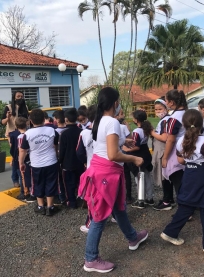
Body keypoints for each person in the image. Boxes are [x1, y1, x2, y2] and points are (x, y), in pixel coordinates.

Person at [78, 87, 148, 273]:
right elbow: (112, 154)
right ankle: (90, 259)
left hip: (102, 171)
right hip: (106, 174)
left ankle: (133, 237)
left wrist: (123, 141)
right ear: (115, 102)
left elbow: (103, 143)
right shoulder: (112, 122)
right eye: (118, 101)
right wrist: (134, 158)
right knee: (100, 216)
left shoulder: (99, 120)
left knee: (118, 208)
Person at [161, 109, 204, 253]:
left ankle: (170, 232)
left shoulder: (180, 141)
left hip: (189, 178)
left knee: (186, 206)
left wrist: (191, 161)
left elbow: (180, 160)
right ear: (201, 124)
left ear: (184, 125)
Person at [19, 109, 59, 216]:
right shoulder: (52, 131)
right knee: (51, 182)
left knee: (38, 183)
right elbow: (56, 145)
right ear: (43, 119)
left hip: (36, 164)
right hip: (51, 161)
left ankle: (41, 206)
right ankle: (50, 206)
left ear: (31, 120)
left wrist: (21, 163)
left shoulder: (27, 134)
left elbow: (23, 150)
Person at [154, 90, 186, 211]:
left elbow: (170, 140)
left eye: (166, 101)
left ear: (171, 102)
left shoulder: (173, 118)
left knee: (178, 181)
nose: (166, 103)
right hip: (188, 151)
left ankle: (184, 210)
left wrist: (165, 157)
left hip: (177, 153)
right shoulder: (187, 113)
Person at [123, 110, 154, 209]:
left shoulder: (136, 131)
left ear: (136, 120)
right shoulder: (147, 128)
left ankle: (141, 200)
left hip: (139, 155)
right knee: (147, 176)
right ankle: (150, 198)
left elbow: (136, 146)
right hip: (146, 154)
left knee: (139, 178)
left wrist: (126, 149)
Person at [76, 105, 97, 233]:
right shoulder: (108, 129)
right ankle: (116, 216)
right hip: (109, 167)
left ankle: (91, 223)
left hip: (92, 167)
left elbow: (79, 152)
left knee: (92, 197)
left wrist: (85, 162)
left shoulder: (84, 133)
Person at [2, 91, 29, 187]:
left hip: (23, 133)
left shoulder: (25, 107)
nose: (20, 98)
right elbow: (3, 122)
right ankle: (15, 179)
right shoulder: (8, 107)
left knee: (22, 156)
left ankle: (23, 179)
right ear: (14, 97)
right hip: (12, 135)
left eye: (21, 96)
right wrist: (8, 118)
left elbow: (27, 120)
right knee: (15, 155)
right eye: (18, 96)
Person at [59, 108, 84, 209]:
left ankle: (72, 202)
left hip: (68, 163)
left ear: (66, 120)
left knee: (69, 184)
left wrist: (60, 161)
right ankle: (83, 199)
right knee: (81, 182)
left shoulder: (64, 133)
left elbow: (62, 150)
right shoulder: (82, 131)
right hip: (80, 162)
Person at [11, 117, 36, 202]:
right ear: (27, 124)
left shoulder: (20, 137)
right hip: (32, 158)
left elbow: (21, 150)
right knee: (32, 176)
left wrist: (20, 161)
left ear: (16, 126)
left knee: (25, 178)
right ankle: (33, 192)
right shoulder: (30, 133)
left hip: (24, 160)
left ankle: (27, 193)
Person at [150, 99, 170, 207]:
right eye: (156, 109)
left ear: (166, 108)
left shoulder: (165, 120)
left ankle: (167, 200)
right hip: (162, 150)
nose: (158, 111)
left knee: (165, 177)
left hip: (163, 151)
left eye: (160, 109)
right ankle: (169, 198)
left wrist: (151, 132)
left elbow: (164, 137)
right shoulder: (163, 120)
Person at [115, 108, 133, 203]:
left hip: (114, 155)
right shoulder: (123, 127)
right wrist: (128, 128)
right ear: (116, 115)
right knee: (126, 175)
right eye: (121, 114)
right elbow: (130, 140)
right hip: (123, 153)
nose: (123, 116)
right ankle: (128, 196)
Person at [53, 110, 67, 205]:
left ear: (57, 120)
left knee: (60, 179)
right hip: (69, 158)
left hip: (59, 158)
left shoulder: (55, 132)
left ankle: (62, 197)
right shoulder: (69, 129)